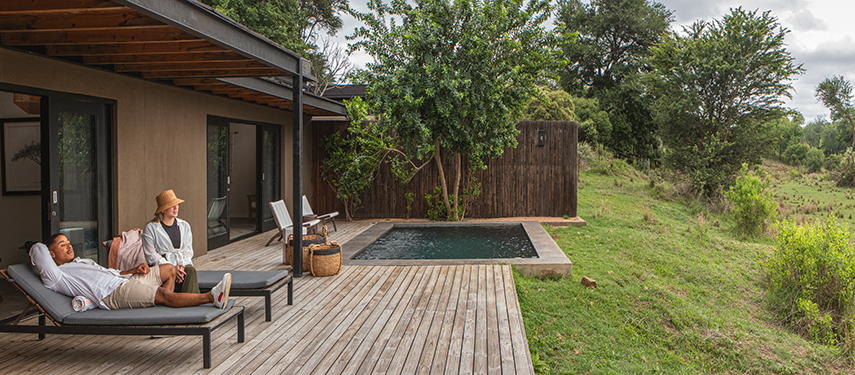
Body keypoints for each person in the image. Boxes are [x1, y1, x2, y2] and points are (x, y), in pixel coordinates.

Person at [30, 234, 231, 310]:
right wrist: (37, 247)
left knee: (169, 270)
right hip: (112, 294)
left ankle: (164, 316)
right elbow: (37, 249)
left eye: (68, 242)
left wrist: (133, 270)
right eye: (62, 244)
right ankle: (212, 297)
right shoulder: (56, 276)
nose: (69, 246)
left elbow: (110, 272)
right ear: (51, 254)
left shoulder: (82, 261)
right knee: (163, 294)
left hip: (124, 279)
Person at [142, 189, 199, 293]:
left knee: (190, 271)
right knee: (189, 276)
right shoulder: (151, 228)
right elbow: (151, 256)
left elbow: (188, 251)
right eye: (171, 205)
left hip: (182, 268)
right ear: (162, 210)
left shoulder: (185, 226)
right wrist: (172, 269)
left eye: (176, 204)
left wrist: (180, 268)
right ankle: (200, 300)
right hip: (163, 271)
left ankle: (192, 301)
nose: (175, 207)